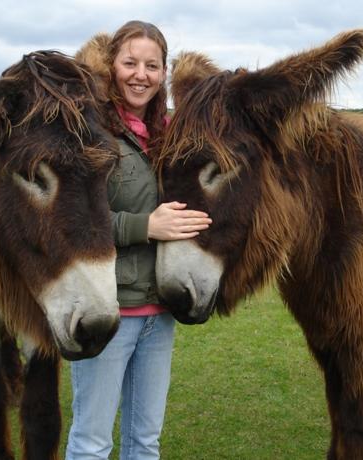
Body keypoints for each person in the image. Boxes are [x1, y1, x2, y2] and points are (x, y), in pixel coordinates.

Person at [65, 20, 212, 460]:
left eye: (152, 65)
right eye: (130, 63)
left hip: (159, 314)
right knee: (92, 443)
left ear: (163, 72)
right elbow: (72, 222)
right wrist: (144, 227)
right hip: (109, 310)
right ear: (112, 66)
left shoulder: (171, 133)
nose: (140, 75)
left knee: (145, 442)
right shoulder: (89, 133)